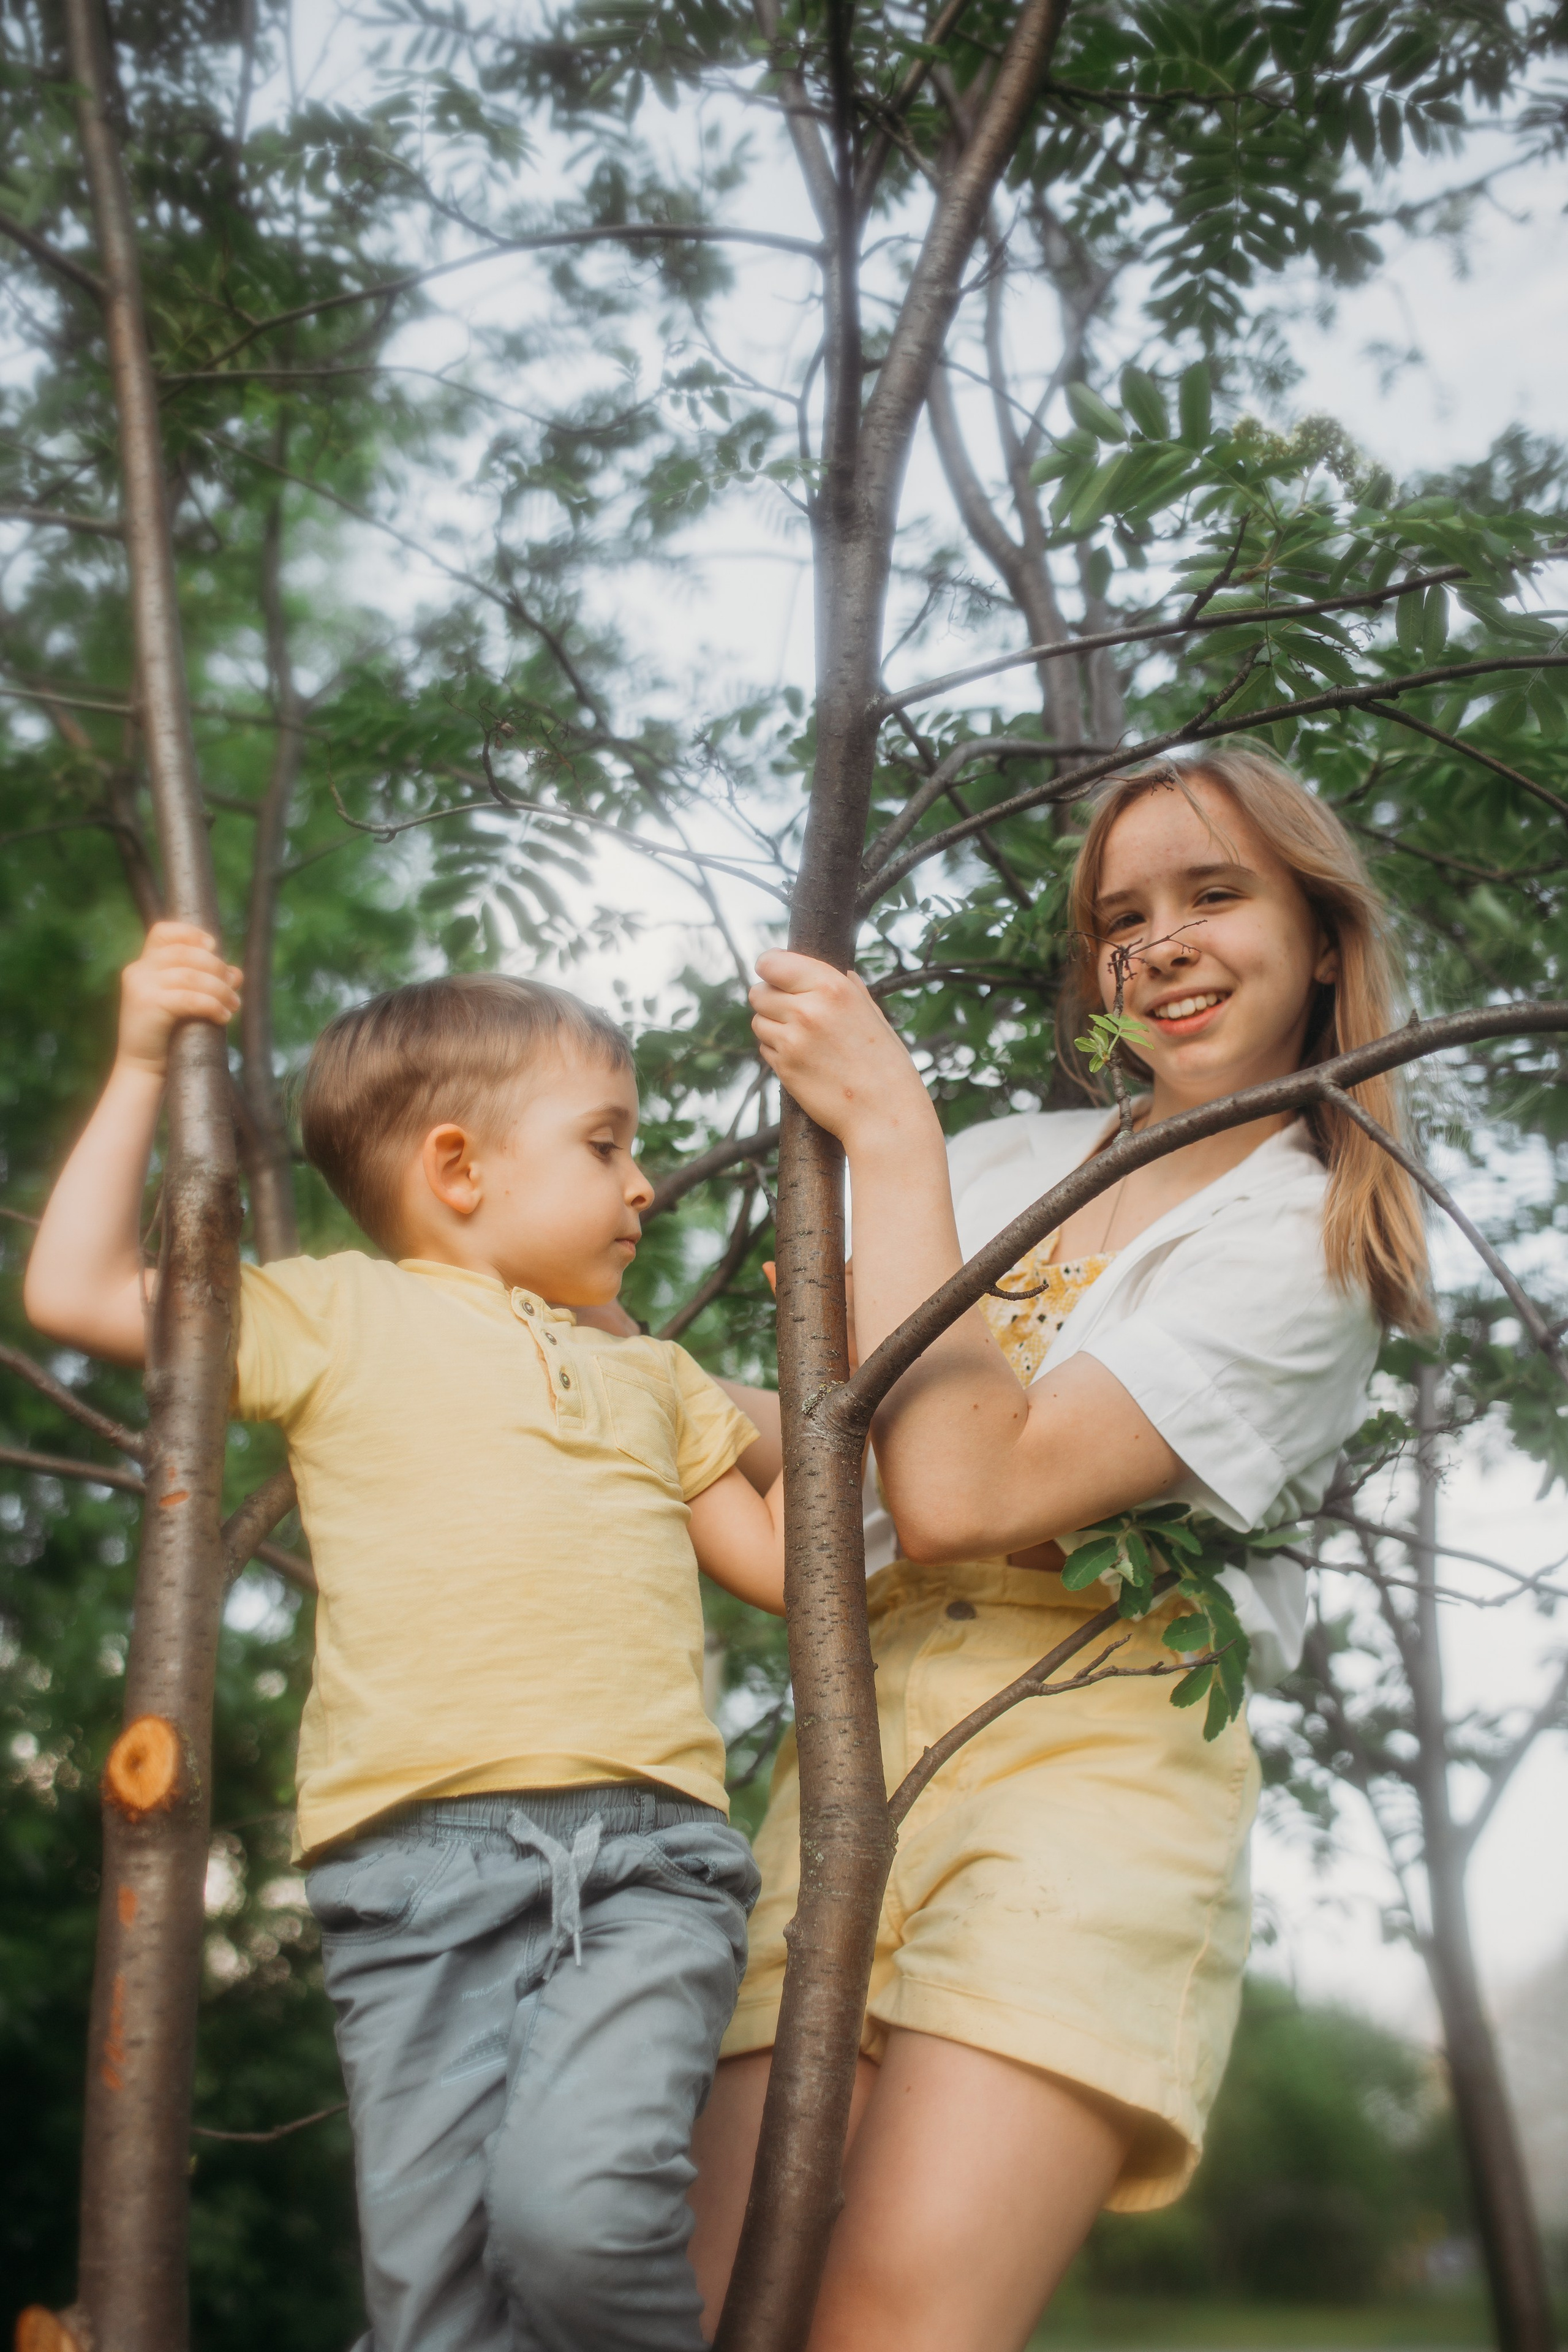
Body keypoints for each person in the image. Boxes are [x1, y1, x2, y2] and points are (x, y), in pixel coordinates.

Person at [688, 744, 1431, 2352]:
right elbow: (832, 1443)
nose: (1156, 942)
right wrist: (595, 1361)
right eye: (1119, 915)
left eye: (1213, 894)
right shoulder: (1007, 1162)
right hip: (859, 1725)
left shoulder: (1311, 1243)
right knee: (710, 2309)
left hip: (1098, 1748)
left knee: (887, 2327)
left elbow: (962, 1491)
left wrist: (887, 1130)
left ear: (1319, 938)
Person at [24, 927, 790, 2352]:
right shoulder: (331, 1316)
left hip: (644, 1862)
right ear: (457, 1168)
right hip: (408, 1876)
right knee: (435, 2319)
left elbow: (784, 1568)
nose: (642, 1185)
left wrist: (859, 1364)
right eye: (607, 1143)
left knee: (580, 2221)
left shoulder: (655, 1376)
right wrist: (139, 1060)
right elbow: (73, 1294)